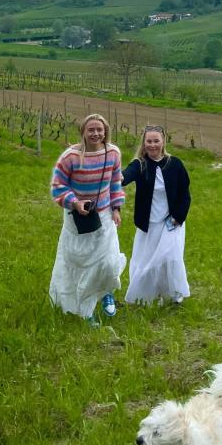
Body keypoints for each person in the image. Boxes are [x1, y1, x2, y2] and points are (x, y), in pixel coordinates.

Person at [49, 113, 126, 326]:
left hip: (104, 215)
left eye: (99, 130)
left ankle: (106, 291)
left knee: (109, 262)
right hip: (78, 217)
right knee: (82, 265)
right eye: (91, 129)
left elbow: (116, 182)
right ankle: (86, 309)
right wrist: (74, 202)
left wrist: (116, 208)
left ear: (106, 131)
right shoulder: (70, 157)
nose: (95, 133)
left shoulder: (113, 153)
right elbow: (58, 187)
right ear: (83, 131)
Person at [122, 125, 191, 305]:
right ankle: (145, 295)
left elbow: (185, 193)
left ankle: (175, 294)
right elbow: (124, 177)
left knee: (171, 257)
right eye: (149, 141)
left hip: (171, 221)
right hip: (149, 223)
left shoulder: (174, 164)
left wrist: (177, 217)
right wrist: (110, 175)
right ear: (144, 143)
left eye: (156, 141)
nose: (152, 145)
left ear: (163, 142)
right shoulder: (139, 164)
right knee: (147, 260)